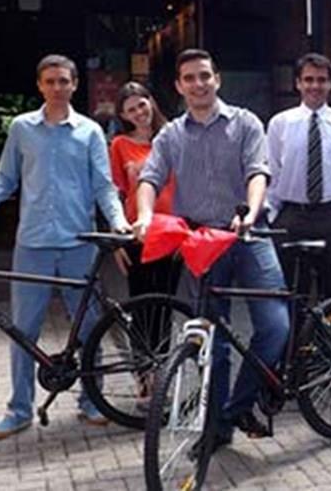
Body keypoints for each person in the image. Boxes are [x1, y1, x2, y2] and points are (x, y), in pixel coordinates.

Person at [134, 48, 289, 445]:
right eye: (189, 78)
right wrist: (145, 216)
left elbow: (258, 172)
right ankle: (216, 429)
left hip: (248, 235)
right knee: (210, 339)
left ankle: (238, 406)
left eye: (204, 75)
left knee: (275, 326)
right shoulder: (170, 135)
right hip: (200, 241)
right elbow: (149, 178)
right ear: (178, 86)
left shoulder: (246, 123)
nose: (198, 84)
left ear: (217, 79)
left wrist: (250, 211)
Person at [0, 54, 130, 439]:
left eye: (64, 81)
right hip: (33, 243)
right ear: (39, 85)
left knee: (89, 326)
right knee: (23, 330)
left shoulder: (90, 131)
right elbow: (5, 180)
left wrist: (118, 222)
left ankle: (92, 401)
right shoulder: (21, 128)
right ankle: (19, 409)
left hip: (80, 243)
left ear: (75, 84)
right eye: (50, 81)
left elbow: (103, 186)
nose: (57, 87)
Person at [267, 53, 331, 297]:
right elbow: (272, 171)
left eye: (321, 80)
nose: (315, 86)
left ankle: (330, 325)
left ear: (330, 85)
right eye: (309, 80)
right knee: (292, 292)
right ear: (298, 83)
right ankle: (296, 324)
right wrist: (273, 214)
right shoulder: (280, 123)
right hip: (292, 216)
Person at [108, 82, 181, 399]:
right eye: (131, 109)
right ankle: (143, 374)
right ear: (123, 116)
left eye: (142, 104)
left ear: (152, 102)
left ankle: (160, 374)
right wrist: (116, 239)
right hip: (137, 235)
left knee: (165, 307)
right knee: (141, 306)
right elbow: (114, 193)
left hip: (172, 234)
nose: (139, 112)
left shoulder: (174, 137)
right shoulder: (120, 145)